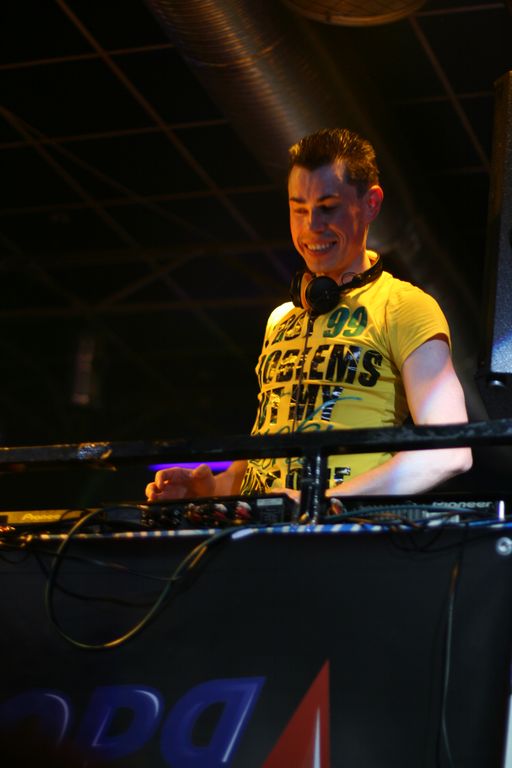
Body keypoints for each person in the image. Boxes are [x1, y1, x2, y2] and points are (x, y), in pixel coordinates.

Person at [146, 128, 472, 504]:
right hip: (262, 529)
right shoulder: (281, 318)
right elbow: (267, 451)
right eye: (299, 209)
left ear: (370, 204)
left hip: (343, 529)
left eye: (328, 207)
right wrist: (209, 490)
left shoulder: (404, 306)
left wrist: (320, 501)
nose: (311, 226)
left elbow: (450, 452)